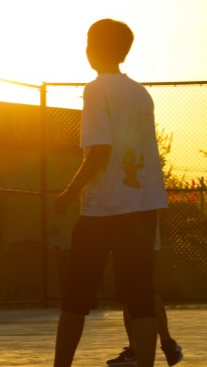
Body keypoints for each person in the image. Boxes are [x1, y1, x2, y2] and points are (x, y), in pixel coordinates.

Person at [54, 19, 168, 367]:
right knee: (140, 297)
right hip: (142, 206)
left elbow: (100, 148)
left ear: (95, 48)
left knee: (76, 297)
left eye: (89, 42)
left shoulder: (96, 89)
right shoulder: (140, 92)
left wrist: (70, 191)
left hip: (104, 208)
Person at [107, 227, 183, 367]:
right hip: (122, 242)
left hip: (139, 241)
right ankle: (156, 346)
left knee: (139, 292)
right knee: (131, 295)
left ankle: (163, 344)